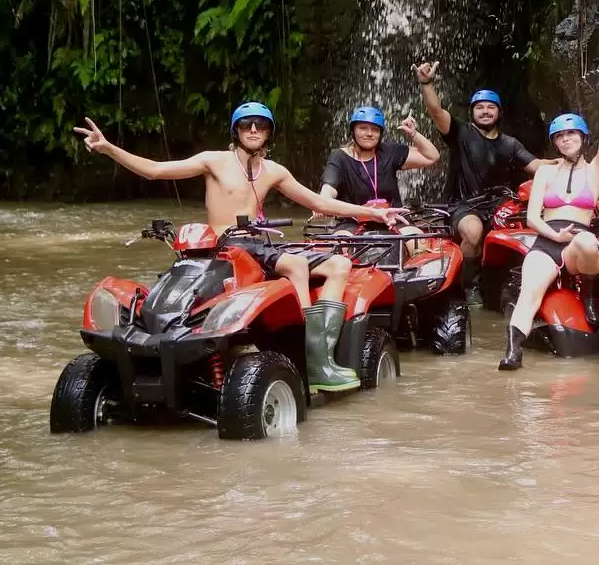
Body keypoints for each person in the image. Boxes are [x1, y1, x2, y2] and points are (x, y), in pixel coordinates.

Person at [73, 102, 404, 394]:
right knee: (296, 266)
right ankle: (304, 356)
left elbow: (319, 202)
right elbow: (157, 170)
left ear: (269, 133)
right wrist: (108, 149)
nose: (254, 130)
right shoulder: (215, 161)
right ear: (237, 130)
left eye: (261, 126)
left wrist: (374, 213)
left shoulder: (273, 170)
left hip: (259, 246)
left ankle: (318, 358)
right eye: (247, 125)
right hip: (224, 248)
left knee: (338, 265)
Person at [499, 71, 599, 371]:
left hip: (579, 243)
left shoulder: (595, 171)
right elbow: (532, 217)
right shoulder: (545, 172)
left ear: (582, 138)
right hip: (548, 238)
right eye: (560, 137)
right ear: (555, 143)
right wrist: (554, 238)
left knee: (587, 241)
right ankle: (513, 352)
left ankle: (591, 293)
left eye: (572, 135)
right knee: (529, 291)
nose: (566, 140)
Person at [416, 61, 548, 303]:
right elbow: (436, 111)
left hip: (499, 205)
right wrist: (427, 83)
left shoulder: (510, 143)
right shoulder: (461, 132)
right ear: (472, 112)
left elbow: (536, 166)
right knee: (474, 232)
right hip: (463, 205)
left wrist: (566, 163)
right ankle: (464, 287)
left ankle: (514, 287)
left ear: (498, 112)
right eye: (479, 107)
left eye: (490, 107)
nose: (485, 111)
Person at [319, 105, 439, 246]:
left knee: (419, 244)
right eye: (363, 128)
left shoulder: (390, 151)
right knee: (340, 246)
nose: (369, 133)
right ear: (352, 131)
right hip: (352, 220)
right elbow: (328, 189)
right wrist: (323, 202)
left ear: (380, 133)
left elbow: (432, 157)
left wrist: (413, 134)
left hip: (393, 217)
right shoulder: (339, 157)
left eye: (375, 129)